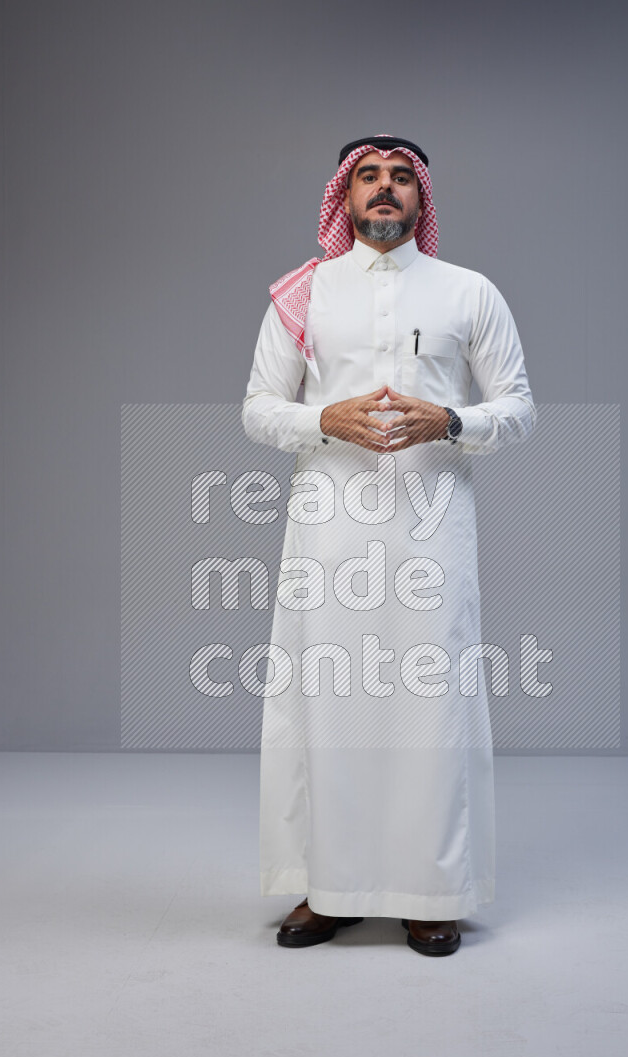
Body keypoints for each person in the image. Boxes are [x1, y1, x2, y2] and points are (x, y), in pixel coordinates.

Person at [242, 134, 536, 956]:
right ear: (343, 195)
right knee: (325, 705)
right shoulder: (305, 294)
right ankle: (327, 889)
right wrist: (320, 419)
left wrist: (450, 420)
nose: (384, 188)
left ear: (421, 199)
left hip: (431, 533)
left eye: (401, 177)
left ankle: (429, 890)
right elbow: (259, 408)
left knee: (428, 710)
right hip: (326, 531)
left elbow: (518, 406)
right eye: (368, 175)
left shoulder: (468, 292)